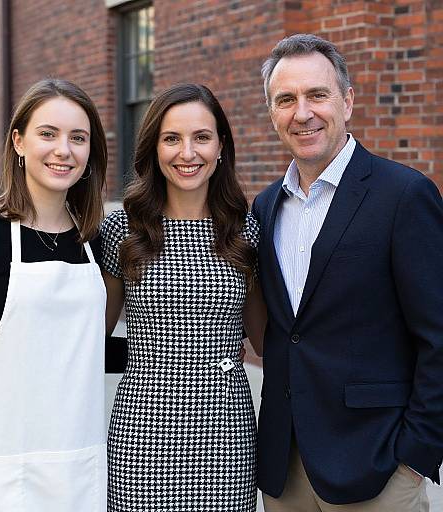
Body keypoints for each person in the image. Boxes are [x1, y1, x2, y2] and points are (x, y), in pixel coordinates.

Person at [252, 33, 443, 512]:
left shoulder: (404, 195)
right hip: (285, 467)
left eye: (317, 94)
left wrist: (416, 456)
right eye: (286, 100)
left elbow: (438, 336)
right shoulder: (265, 206)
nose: (303, 112)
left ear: (347, 100)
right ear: (273, 114)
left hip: (377, 467)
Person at [0, 78, 110, 511]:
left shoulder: (95, 240)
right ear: (19, 142)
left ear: (90, 154)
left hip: (81, 472)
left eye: (78, 138)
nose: (63, 150)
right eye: (48, 134)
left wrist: (181, 348)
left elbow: (82, 349)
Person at [101, 83, 266, 511]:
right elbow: (89, 335)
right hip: (142, 431)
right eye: (171, 138)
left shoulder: (246, 232)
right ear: (154, 148)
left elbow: (267, 341)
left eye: (201, 137)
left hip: (226, 433)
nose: (187, 153)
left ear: (221, 146)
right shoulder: (125, 231)